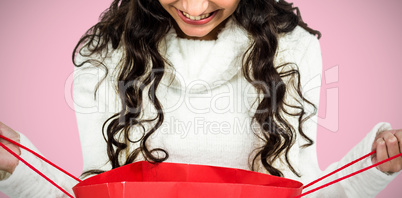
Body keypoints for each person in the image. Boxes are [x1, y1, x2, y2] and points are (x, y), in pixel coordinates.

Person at [0, 0, 401, 197]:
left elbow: (303, 193)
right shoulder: (106, 54)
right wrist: (17, 165)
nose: (194, 7)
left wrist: (374, 164)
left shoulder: (290, 48)